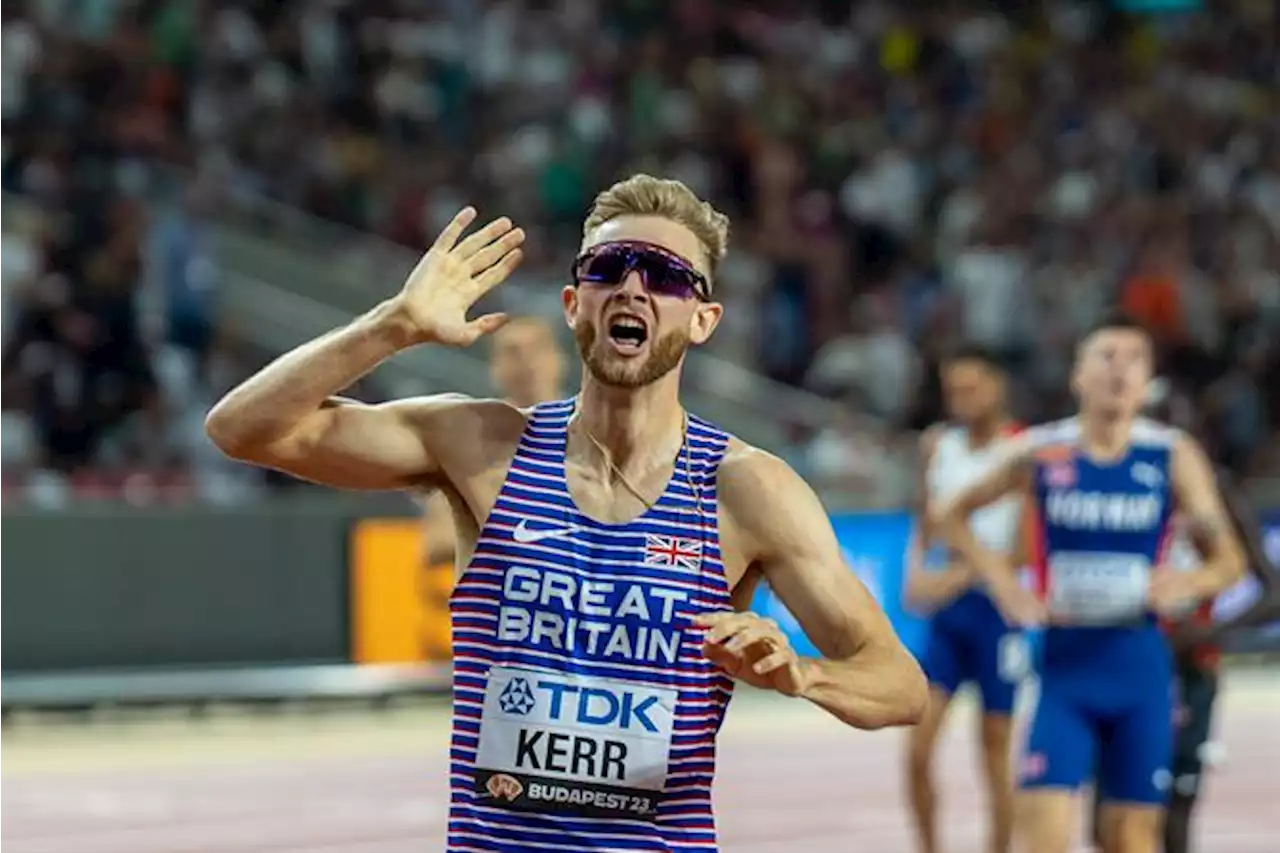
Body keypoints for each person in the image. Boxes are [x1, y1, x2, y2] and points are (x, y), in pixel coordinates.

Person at [205, 174, 927, 851]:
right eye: (609, 267)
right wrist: (393, 325)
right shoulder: (481, 444)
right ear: (573, 301)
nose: (634, 287)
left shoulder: (745, 488)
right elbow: (243, 429)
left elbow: (899, 683)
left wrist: (801, 674)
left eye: (668, 275)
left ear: (703, 318)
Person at [933, 313, 1246, 853]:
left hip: (1140, 668)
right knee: (1043, 837)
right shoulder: (1043, 451)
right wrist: (1004, 584)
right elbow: (951, 515)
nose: (1118, 370)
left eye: (1133, 360)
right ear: (1078, 374)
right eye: (1106, 356)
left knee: (1132, 837)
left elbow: (1231, 561)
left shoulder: (1170, 454)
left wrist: (1189, 582)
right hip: (1064, 670)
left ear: (1148, 381)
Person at [1086, 379, 1280, 853]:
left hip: (1188, 672)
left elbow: (1273, 591)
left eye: (1175, 430)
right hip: (1116, 661)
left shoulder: (1214, 492)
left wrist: (1207, 632)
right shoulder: (1107, 483)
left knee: (1173, 812)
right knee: (1107, 818)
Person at [904, 344, 1025, 853]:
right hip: (949, 619)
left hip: (998, 614)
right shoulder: (938, 444)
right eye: (954, 390)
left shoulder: (1024, 449)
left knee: (994, 751)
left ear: (997, 387)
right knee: (917, 747)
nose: (961, 399)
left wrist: (956, 575)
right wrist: (915, 576)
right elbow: (925, 521)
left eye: (971, 389)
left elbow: (1023, 549)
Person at [418, 317, 566, 576]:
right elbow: (437, 543)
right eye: (513, 352)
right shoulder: (469, 442)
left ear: (558, 360)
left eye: (537, 348)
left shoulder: (594, 433)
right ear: (494, 368)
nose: (527, 362)